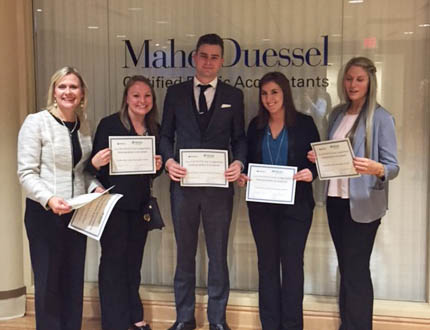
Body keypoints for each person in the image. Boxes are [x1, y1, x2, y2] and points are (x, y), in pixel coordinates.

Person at [160, 33, 247, 330]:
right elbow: (164, 136)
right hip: (183, 189)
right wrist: (168, 161)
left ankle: (217, 321)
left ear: (222, 61)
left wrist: (238, 162)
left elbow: (239, 139)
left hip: (219, 190)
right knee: (184, 255)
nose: (208, 62)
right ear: (194, 57)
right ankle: (184, 319)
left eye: (214, 57)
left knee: (218, 256)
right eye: (203, 56)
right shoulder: (175, 93)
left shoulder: (234, 96)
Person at [308, 57, 399, 330]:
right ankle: (347, 324)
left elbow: (392, 167)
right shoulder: (337, 113)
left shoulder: (382, 118)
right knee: (347, 269)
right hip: (337, 201)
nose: (353, 84)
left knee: (356, 271)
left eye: (359, 79)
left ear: (371, 81)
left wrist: (376, 168)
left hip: (363, 206)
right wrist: (318, 157)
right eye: (349, 79)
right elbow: (333, 153)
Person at [17, 66, 101, 330]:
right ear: (54, 91)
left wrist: (95, 187)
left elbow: (81, 172)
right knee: (48, 283)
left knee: (72, 280)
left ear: (82, 93)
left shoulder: (83, 125)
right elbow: (26, 173)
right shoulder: (36, 122)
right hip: (45, 215)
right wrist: (50, 199)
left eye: (73, 87)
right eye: (62, 86)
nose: (68, 92)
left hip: (76, 214)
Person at [238, 72, 320, 330]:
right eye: (264, 93)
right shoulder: (255, 126)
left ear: (285, 93)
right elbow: (248, 162)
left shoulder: (305, 124)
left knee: (293, 266)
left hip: (296, 208)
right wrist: (243, 176)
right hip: (262, 208)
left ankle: (293, 325)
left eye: (274, 92)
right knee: (267, 266)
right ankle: (270, 324)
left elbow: (318, 161)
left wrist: (313, 173)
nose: (269, 98)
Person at [88, 75, 163, 330]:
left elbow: (152, 173)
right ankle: (114, 322)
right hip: (113, 206)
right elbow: (93, 168)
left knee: (133, 264)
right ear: (126, 99)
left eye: (147, 96)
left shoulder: (155, 129)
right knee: (112, 264)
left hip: (140, 207)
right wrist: (97, 162)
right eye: (136, 95)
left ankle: (135, 316)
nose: (142, 101)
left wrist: (158, 166)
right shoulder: (109, 124)